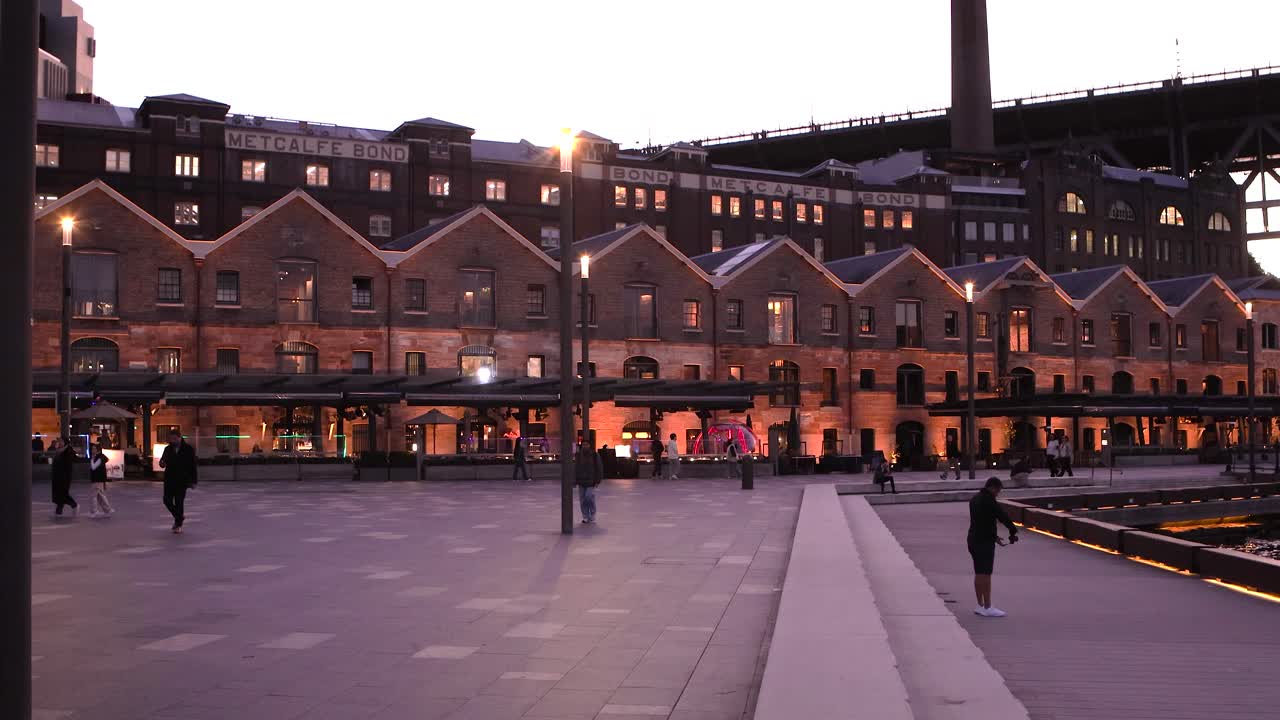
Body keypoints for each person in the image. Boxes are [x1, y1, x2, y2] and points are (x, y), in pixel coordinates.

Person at [967, 477, 1019, 617]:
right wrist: (1013, 530)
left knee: (979, 572)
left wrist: (994, 537)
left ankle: (980, 605)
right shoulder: (989, 500)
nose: (998, 494)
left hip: (973, 539)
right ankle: (988, 606)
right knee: (986, 573)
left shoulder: (975, 499)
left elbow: (981, 522)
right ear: (993, 487)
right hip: (983, 542)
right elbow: (1002, 516)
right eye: (998, 491)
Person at [158, 429, 198, 534]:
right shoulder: (167, 449)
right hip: (169, 479)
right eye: (171, 439)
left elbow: (193, 466)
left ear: (179, 437)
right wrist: (162, 463)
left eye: (174, 438)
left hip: (182, 480)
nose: (172, 441)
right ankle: (179, 516)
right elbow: (163, 461)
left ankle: (178, 524)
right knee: (166, 500)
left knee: (179, 502)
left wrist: (193, 481)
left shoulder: (188, 449)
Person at [50, 438, 78, 518]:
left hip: (64, 477)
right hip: (57, 476)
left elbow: (69, 463)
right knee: (58, 493)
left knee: (62, 493)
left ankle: (74, 505)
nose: (59, 442)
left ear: (65, 442)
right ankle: (59, 511)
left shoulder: (68, 451)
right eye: (59, 441)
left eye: (61, 441)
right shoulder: (59, 450)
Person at [575, 445, 603, 523]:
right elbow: (575, 468)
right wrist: (574, 480)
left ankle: (592, 515)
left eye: (586, 444)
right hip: (581, 481)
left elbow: (599, 467)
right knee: (583, 500)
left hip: (591, 481)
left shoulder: (594, 455)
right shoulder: (578, 455)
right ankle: (585, 516)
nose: (585, 446)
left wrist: (597, 480)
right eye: (584, 444)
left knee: (589, 497)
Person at [88, 443, 114, 518]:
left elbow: (93, 467)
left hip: (97, 479)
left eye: (94, 448)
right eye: (92, 448)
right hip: (98, 479)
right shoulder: (100, 457)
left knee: (94, 496)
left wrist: (92, 459)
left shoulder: (99, 458)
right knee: (100, 496)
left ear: (98, 449)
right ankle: (108, 509)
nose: (92, 450)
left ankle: (94, 511)